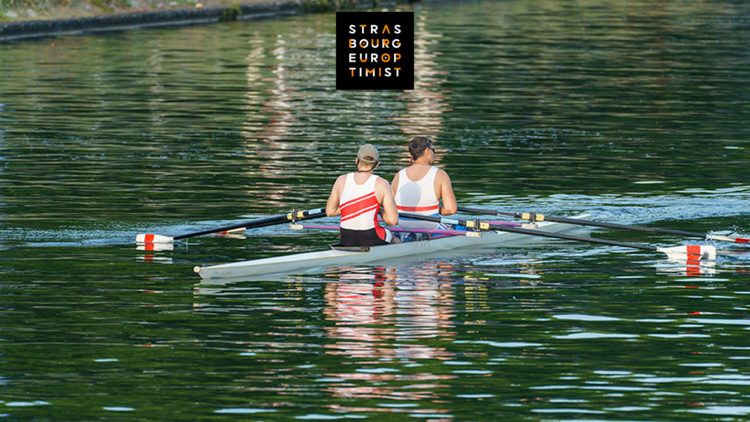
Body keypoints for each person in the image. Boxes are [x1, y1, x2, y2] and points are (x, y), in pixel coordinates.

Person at [326, 144, 399, 246]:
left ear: (356, 161)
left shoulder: (341, 180)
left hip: (345, 238)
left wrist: (349, 207)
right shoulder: (382, 183)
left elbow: (330, 212)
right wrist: (379, 210)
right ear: (377, 164)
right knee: (393, 237)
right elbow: (393, 220)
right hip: (371, 237)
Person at [391, 136, 457, 230]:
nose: (434, 154)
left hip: (404, 227)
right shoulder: (440, 174)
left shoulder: (398, 176)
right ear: (427, 150)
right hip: (431, 227)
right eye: (433, 150)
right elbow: (451, 209)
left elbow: (389, 207)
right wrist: (436, 209)